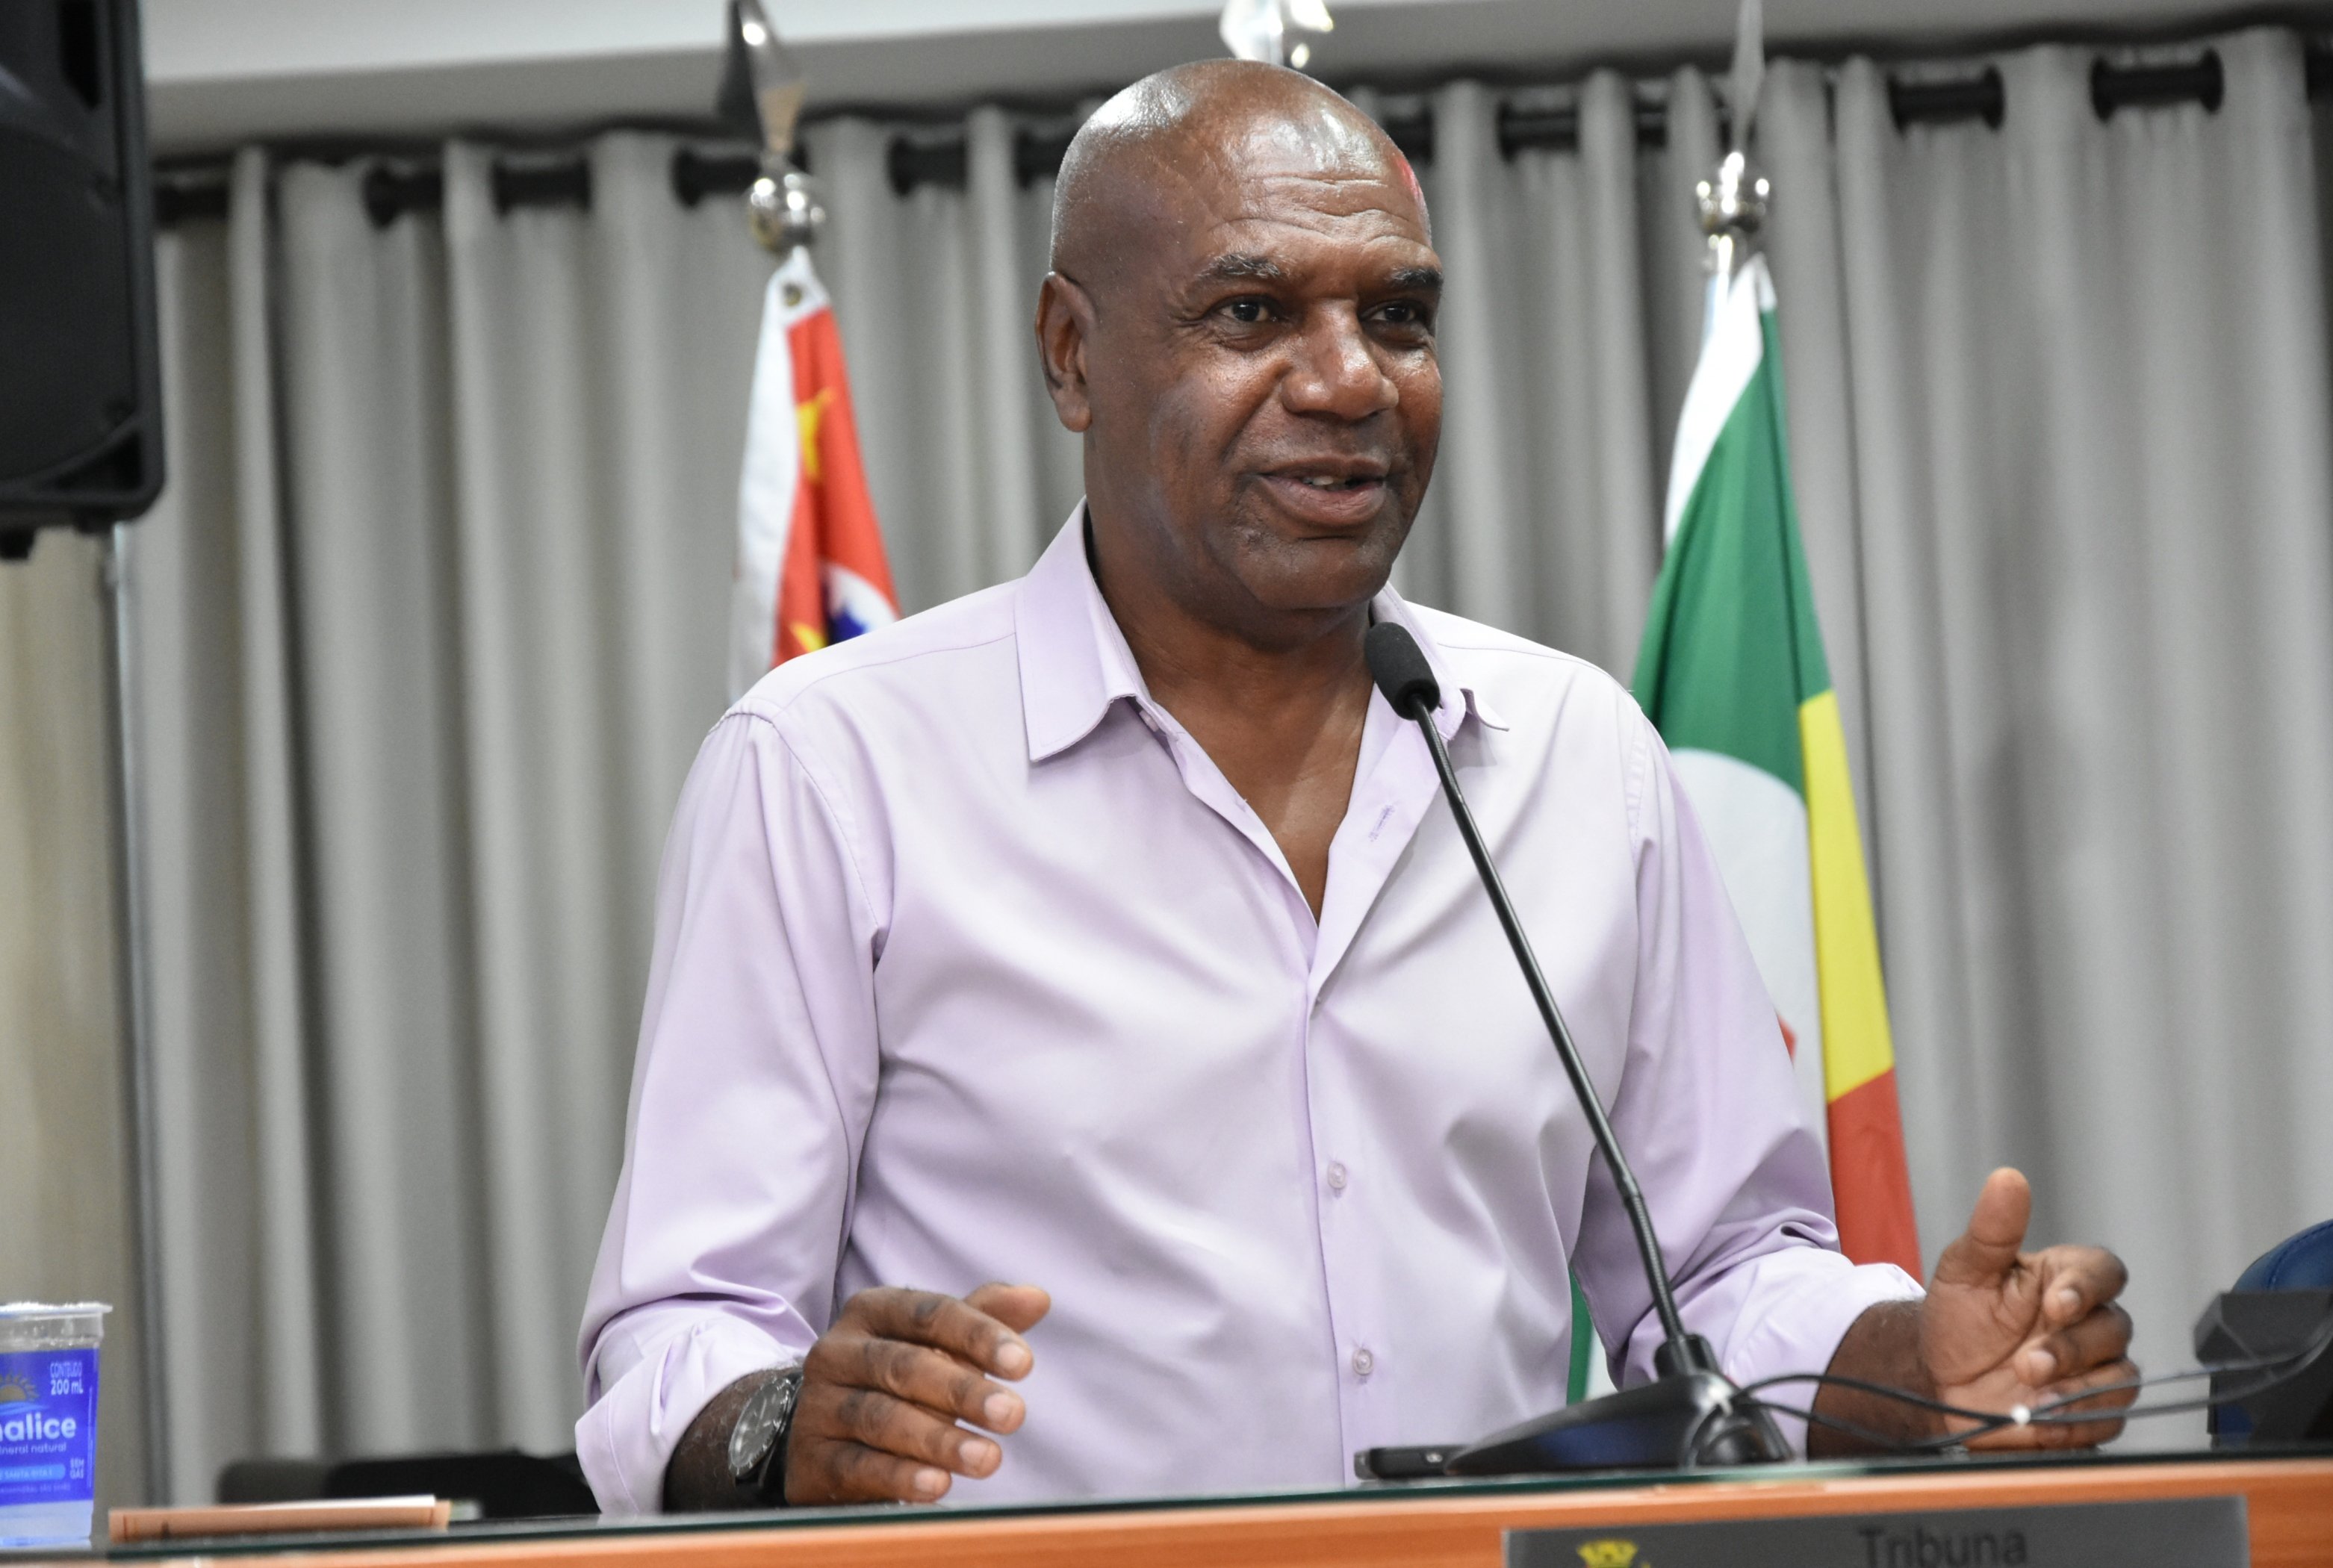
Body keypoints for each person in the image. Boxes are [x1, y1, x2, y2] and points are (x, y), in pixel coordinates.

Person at [575, 59, 2136, 1514]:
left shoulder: (1575, 755)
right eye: (1251, 312)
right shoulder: (835, 767)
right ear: (1072, 353)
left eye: (1397, 316)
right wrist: (789, 1428)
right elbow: (680, 1333)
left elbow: (1721, 1272)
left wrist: (1915, 1370)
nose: (1347, 382)